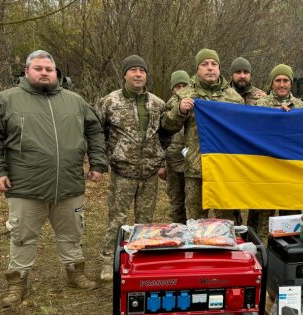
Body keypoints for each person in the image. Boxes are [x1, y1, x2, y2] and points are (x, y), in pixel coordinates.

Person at [0, 50, 108, 308]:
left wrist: (98, 163)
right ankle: (17, 283)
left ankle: (75, 274)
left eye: (49, 68)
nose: (44, 72)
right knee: (22, 236)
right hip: (25, 185)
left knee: (72, 234)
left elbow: (95, 131)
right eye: (38, 68)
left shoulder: (75, 101)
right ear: (26, 72)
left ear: (56, 72)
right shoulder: (7, 100)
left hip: (69, 184)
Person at [96, 55, 167, 281]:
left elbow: (166, 135)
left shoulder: (157, 104)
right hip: (122, 172)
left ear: (146, 75)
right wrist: (105, 157)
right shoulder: (109, 102)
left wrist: (161, 161)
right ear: (124, 74)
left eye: (142, 70)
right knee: (117, 218)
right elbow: (96, 132)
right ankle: (108, 260)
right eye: (133, 70)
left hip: (149, 173)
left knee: (145, 220)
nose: (138, 74)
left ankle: (140, 258)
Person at [161, 48, 244, 220]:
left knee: (226, 220)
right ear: (197, 69)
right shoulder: (184, 95)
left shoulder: (234, 98)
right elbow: (166, 126)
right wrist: (180, 111)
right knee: (197, 220)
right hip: (196, 169)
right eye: (204, 64)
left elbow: (245, 129)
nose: (210, 68)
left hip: (225, 169)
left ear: (219, 69)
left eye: (214, 64)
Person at [254, 64, 303, 236]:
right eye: (278, 80)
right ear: (271, 84)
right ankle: (262, 256)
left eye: (285, 80)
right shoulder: (259, 105)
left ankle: (287, 255)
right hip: (265, 169)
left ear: (291, 83)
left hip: (291, 170)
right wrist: (272, 115)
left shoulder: (300, 106)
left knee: (290, 221)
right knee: (263, 220)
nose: (282, 84)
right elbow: (251, 130)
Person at [229, 56, 267, 229]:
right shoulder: (223, 96)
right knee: (229, 201)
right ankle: (235, 231)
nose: (242, 76)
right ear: (231, 74)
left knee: (257, 201)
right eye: (238, 72)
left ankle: (253, 232)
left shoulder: (261, 97)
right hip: (229, 156)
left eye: (245, 72)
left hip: (254, 157)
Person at [164, 70, 191, 224]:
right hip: (172, 163)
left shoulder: (196, 104)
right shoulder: (167, 107)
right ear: (172, 89)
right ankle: (178, 230)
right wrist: (161, 165)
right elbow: (159, 138)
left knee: (194, 200)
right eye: (177, 86)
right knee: (176, 201)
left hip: (192, 161)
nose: (181, 89)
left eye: (184, 85)